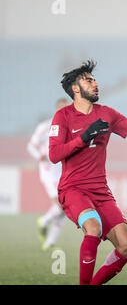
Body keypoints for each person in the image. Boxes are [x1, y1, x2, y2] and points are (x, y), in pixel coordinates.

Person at [49, 60, 127, 285]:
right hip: (73, 189)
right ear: (75, 88)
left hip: (100, 191)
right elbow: (54, 155)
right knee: (93, 228)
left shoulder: (106, 114)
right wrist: (83, 138)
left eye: (94, 79)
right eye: (88, 80)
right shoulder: (63, 117)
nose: (95, 83)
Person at [28, 98, 69, 251]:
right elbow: (31, 145)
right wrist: (39, 156)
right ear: (56, 109)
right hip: (48, 172)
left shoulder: (70, 128)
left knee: (65, 207)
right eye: (61, 108)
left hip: (63, 171)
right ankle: (44, 221)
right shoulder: (45, 127)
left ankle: (49, 242)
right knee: (62, 204)